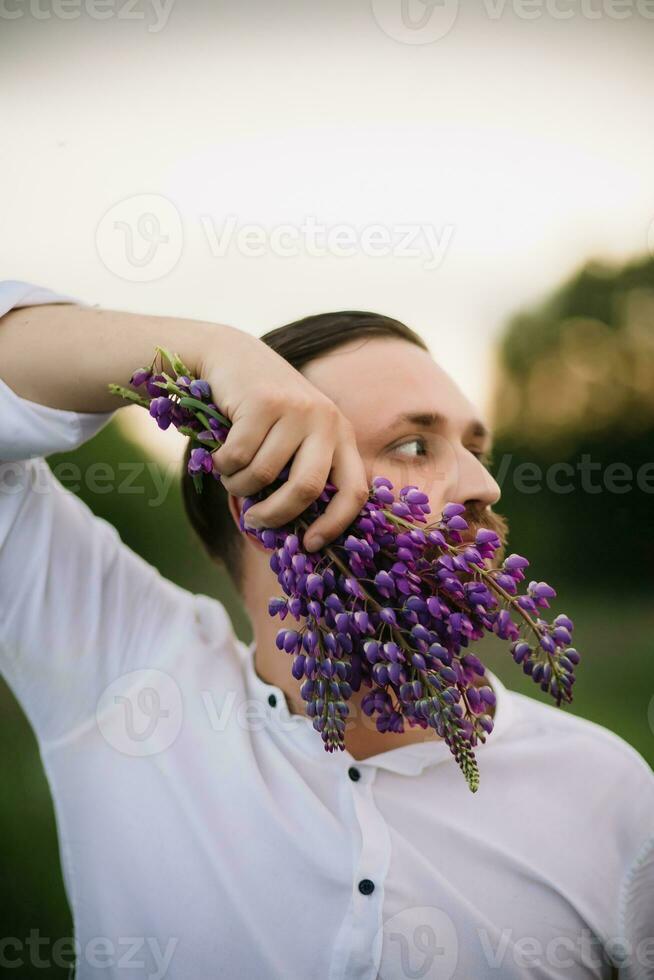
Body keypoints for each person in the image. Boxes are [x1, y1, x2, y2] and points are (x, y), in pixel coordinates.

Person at [0, 279, 651, 980]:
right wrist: (217, 351)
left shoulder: (607, 793)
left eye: (476, 450)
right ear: (266, 501)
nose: (482, 487)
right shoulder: (126, 680)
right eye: (411, 443)